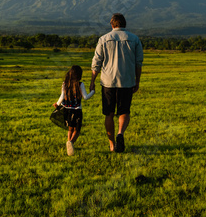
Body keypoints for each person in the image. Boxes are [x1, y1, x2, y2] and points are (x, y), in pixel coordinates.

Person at [90, 13, 143, 153]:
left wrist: (92, 81)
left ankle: (112, 144)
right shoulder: (135, 39)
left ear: (112, 25)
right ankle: (120, 133)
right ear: (124, 24)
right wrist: (137, 81)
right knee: (124, 111)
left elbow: (96, 63)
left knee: (109, 113)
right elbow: (138, 63)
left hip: (108, 82)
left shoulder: (104, 39)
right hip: (126, 81)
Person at [53, 65, 95, 156]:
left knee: (70, 128)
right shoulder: (80, 84)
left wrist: (57, 103)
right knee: (77, 130)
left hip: (67, 110)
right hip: (77, 110)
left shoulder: (65, 84)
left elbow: (62, 96)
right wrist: (93, 91)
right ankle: (71, 142)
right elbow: (86, 97)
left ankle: (69, 142)